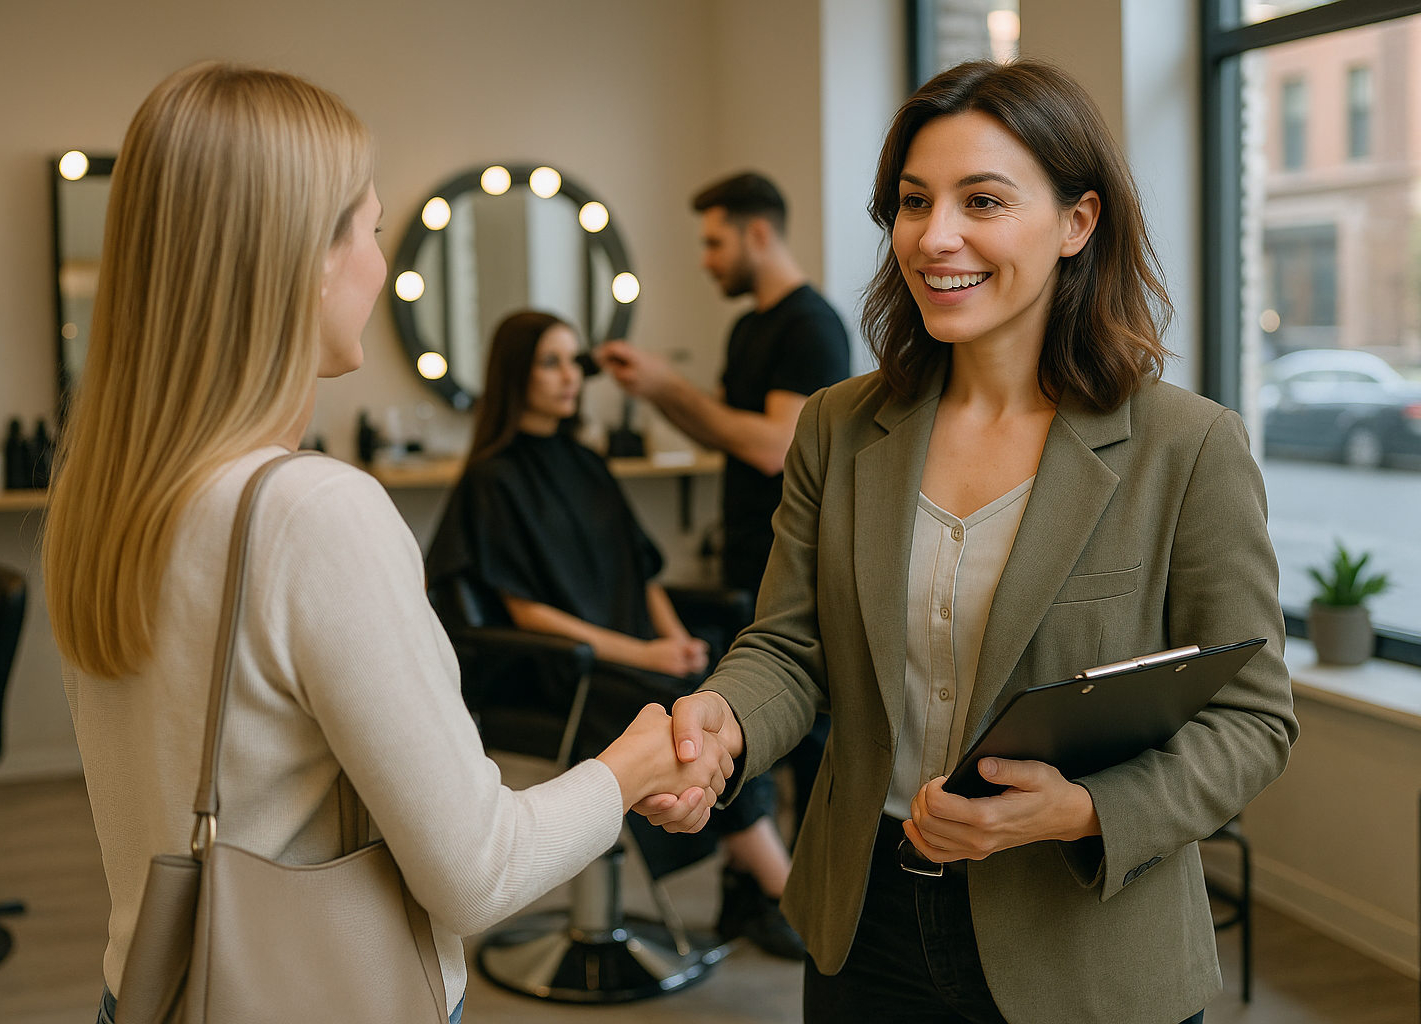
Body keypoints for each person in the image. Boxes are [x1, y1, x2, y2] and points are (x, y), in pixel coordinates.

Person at [41, 64, 727, 1024]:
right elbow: (477, 873)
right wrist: (637, 765)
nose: (375, 261)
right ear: (304, 260)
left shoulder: (103, 499)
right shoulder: (316, 514)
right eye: (368, 228)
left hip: (150, 992)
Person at [638, 59, 1298, 1024]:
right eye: (913, 201)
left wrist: (1079, 811)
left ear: (1078, 222)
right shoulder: (837, 428)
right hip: (869, 927)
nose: (935, 237)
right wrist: (723, 722)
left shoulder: (1186, 447)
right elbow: (789, 646)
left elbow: (1253, 718)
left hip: (1083, 941)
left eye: (982, 200)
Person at [426, 309, 805, 959]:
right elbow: (527, 614)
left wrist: (675, 637)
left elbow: (641, 571)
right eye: (552, 361)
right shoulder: (495, 478)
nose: (571, 376)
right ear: (515, 373)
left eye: (576, 361)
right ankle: (785, 892)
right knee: (672, 706)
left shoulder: (586, 462)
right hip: (552, 673)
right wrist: (648, 653)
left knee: (711, 688)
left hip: (622, 659)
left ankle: (757, 885)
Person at [598, 171, 851, 826]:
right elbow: (728, 434)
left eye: (715, 243)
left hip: (795, 560)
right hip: (745, 554)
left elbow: (774, 446)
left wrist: (666, 386)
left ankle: (801, 901)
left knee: (808, 743)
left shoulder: (811, 326)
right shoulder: (746, 331)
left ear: (758, 233)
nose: (707, 261)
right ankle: (755, 886)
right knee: (754, 734)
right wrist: (658, 391)